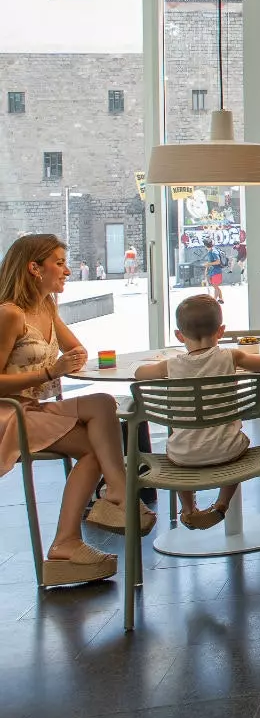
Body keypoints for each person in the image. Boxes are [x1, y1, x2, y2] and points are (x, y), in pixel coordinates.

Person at [0, 234, 156, 586]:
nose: (68, 271)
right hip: (11, 413)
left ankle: (110, 498)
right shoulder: (9, 315)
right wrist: (49, 371)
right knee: (95, 446)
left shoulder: (47, 308)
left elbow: (76, 349)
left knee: (102, 404)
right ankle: (88, 521)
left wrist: (71, 359)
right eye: (59, 263)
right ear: (34, 268)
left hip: (37, 408)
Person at [133, 295, 260, 530]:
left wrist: (162, 365)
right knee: (236, 444)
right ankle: (221, 506)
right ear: (221, 331)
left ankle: (188, 508)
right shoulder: (230, 356)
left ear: (178, 335)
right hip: (228, 451)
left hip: (182, 456)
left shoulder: (171, 365)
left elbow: (140, 374)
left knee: (179, 446)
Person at [201, 238, 225, 303]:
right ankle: (220, 298)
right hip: (213, 271)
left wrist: (208, 264)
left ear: (205, 245)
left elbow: (218, 262)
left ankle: (214, 300)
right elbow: (210, 262)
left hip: (217, 272)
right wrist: (207, 268)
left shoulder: (214, 252)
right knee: (215, 286)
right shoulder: (210, 251)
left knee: (215, 286)